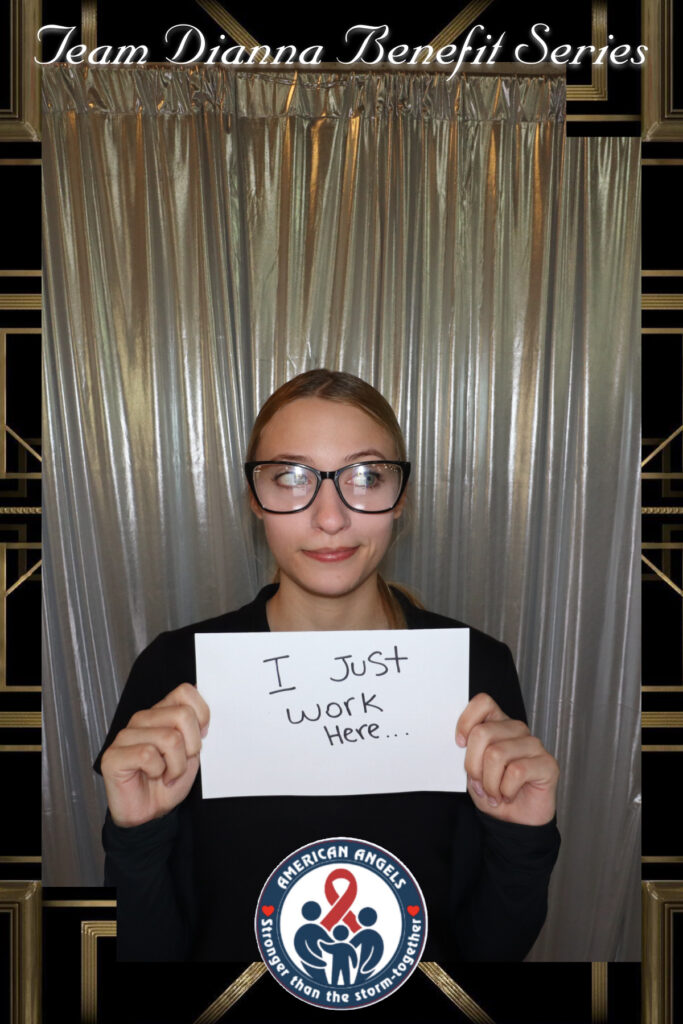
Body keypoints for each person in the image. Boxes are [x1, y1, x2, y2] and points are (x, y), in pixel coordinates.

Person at [94, 368, 560, 962]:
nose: (331, 518)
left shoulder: (474, 670)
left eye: (366, 476)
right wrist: (137, 839)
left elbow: (491, 951)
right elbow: (144, 952)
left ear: (401, 496)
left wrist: (523, 837)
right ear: (255, 499)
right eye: (291, 477)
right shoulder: (175, 672)